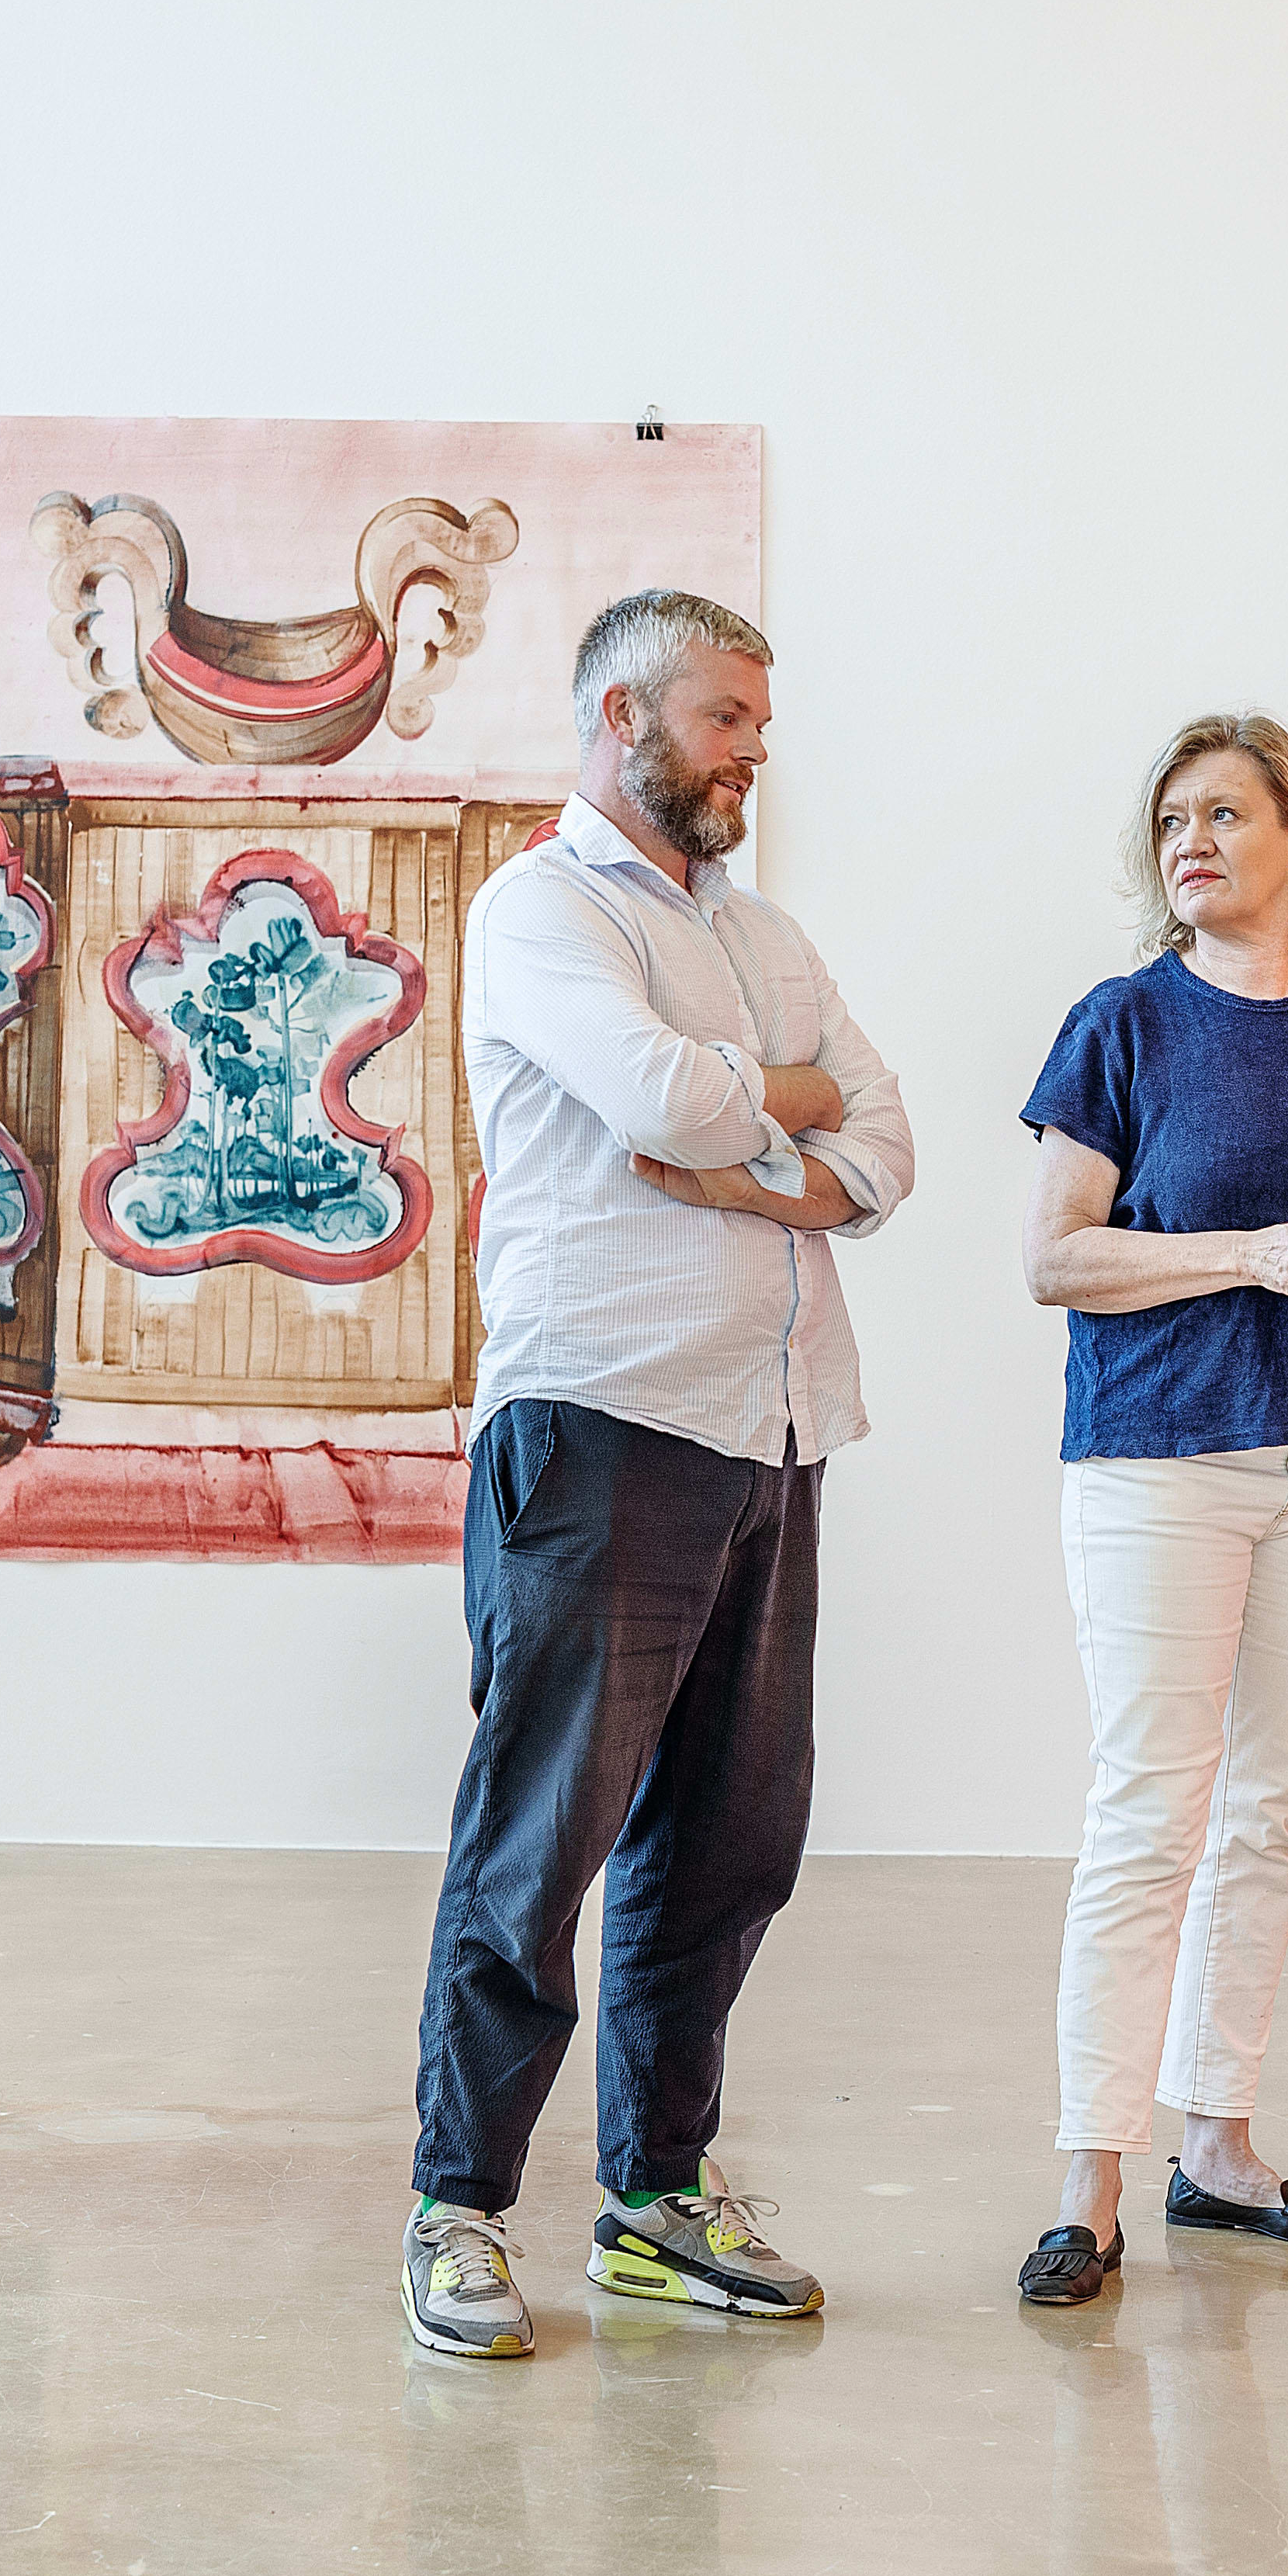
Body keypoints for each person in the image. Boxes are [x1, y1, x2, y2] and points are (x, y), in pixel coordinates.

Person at [403, 591, 917, 2360]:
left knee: (730, 1844)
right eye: (724, 717)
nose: (753, 750)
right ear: (622, 716)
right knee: (539, 1841)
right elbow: (664, 1102)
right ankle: (458, 2210)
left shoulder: (764, 934)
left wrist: (751, 1137)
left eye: (760, 721)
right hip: (602, 1424)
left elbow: (889, 1147)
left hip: (775, 1428)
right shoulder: (540, 909)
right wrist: (778, 1106)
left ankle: (656, 2201)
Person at [1009, 713, 1288, 2308]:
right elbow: (1054, 1258)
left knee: (1268, 1807)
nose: (1191, 843)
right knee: (1149, 1812)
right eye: (1170, 822)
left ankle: (1217, 2143)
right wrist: (1250, 1254)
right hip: (1157, 1457)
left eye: (1221, 813)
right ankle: (1089, 2179)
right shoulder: (1123, 1022)